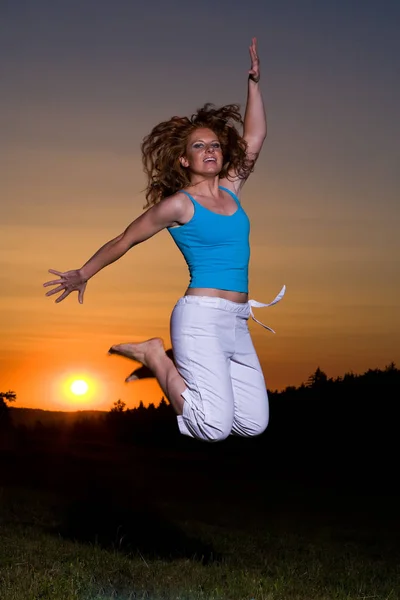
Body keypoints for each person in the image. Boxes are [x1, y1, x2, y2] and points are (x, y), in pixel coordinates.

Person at [44, 38, 285, 442]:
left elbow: (256, 136)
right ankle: (155, 355)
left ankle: (169, 362)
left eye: (214, 145)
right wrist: (84, 272)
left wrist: (254, 84)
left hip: (238, 321)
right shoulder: (178, 206)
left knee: (252, 424)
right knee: (211, 428)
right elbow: (125, 240)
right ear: (184, 160)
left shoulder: (231, 189)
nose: (209, 150)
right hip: (200, 319)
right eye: (198, 146)